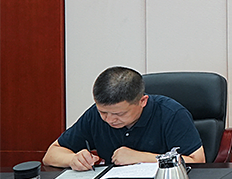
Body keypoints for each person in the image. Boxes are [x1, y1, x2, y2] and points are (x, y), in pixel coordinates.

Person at [43, 66, 205, 169]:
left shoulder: (171, 113)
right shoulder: (95, 115)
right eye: (103, 112)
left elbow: (197, 161)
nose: (109, 120)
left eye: (119, 114)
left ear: (142, 101)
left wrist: (142, 158)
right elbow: (51, 154)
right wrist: (73, 159)